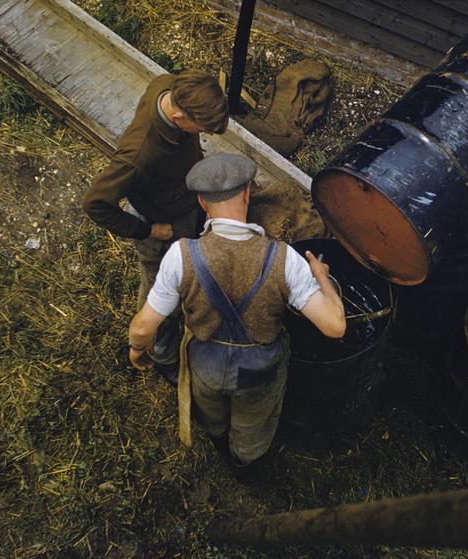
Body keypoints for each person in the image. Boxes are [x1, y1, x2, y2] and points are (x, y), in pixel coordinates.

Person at [128, 153, 345, 473]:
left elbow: (143, 327)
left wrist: (137, 349)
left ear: (202, 202)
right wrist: (322, 278)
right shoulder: (285, 259)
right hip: (258, 372)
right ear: (246, 194)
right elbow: (335, 326)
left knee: (212, 415)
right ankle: (245, 465)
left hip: (206, 364)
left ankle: (218, 438)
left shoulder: (180, 255)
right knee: (252, 430)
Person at [82, 70, 229, 383]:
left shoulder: (167, 85)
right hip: (161, 223)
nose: (203, 133)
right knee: (162, 293)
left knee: (187, 269)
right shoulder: (139, 154)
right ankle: (162, 354)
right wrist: (148, 231)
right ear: (178, 117)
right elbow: (95, 203)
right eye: (201, 128)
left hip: (182, 198)